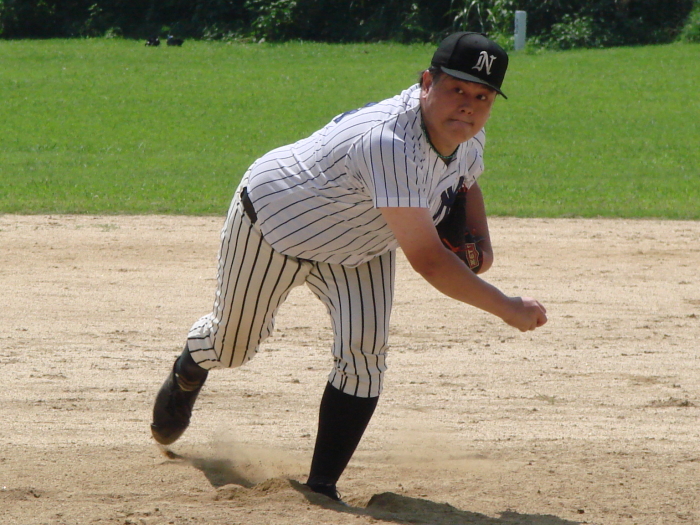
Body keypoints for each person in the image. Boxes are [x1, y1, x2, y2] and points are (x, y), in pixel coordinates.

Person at [150, 32, 547, 502]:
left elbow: (466, 181)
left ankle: (321, 488)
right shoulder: (389, 142)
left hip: (361, 245)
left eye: (482, 96)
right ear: (427, 83)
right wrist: (507, 307)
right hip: (275, 226)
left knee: (364, 355)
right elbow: (429, 262)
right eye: (457, 88)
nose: (468, 105)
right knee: (232, 346)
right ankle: (190, 366)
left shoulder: (467, 134)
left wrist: (484, 245)